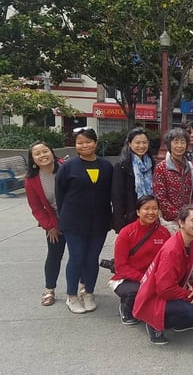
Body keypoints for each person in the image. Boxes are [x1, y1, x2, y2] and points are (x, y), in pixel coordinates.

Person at [55, 127, 113, 314]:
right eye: (80, 142)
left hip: (100, 221)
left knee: (91, 259)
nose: (84, 145)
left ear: (95, 143)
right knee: (77, 257)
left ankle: (88, 291)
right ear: (75, 145)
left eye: (88, 141)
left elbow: (111, 194)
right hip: (74, 221)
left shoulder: (106, 166)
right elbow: (60, 195)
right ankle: (71, 296)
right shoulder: (68, 167)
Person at [133, 205, 193, 345]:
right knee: (189, 310)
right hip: (154, 297)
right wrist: (188, 294)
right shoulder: (172, 250)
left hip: (176, 285)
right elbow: (164, 289)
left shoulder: (192, 242)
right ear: (181, 223)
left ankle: (182, 321)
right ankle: (154, 324)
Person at [109, 195, 171, 325]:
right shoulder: (126, 233)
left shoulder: (164, 233)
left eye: (154, 208)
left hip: (154, 278)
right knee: (137, 291)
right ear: (138, 212)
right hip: (128, 279)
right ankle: (126, 309)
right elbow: (121, 267)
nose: (151, 212)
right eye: (146, 208)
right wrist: (144, 278)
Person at [24, 141, 64, 307]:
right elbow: (37, 208)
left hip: (75, 219)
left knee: (79, 255)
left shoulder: (65, 167)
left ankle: (84, 287)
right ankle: (49, 289)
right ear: (33, 159)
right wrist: (50, 226)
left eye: (45, 151)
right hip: (54, 222)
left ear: (52, 152)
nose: (42, 155)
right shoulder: (32, 180)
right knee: (54, 255)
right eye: (37, 154)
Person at [153, 127, 193, 233]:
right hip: (169, 223)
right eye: (176, 142)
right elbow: (160, 198)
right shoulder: (161, 168)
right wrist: (180, 216)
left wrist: (191, 214)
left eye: (182, 142)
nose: (179, 146)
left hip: (189, 220)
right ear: (169, 144)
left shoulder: (191, 167)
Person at [112, 128, 154, 232]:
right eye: (137, 142)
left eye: (144, 142)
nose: (141, 146)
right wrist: (120, 223)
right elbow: (117, 197)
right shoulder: (122, 166)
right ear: (130, 144)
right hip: (130, 217)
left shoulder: (151, 164)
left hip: (150, 215)